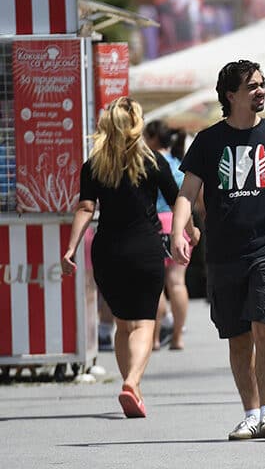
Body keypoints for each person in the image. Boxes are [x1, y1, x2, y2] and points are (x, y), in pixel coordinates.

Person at [171, 59, 265, 440]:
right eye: (252, 86)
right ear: (231, 95)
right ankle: (249, 412)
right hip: (224, 251)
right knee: (237, 336)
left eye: (262, 84)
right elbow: (187, 193)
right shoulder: (208, 141)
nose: (260, 91)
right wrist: (177, 232)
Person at [61, 97, 199, 418]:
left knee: (123, 324)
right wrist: (188, 230)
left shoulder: (94, 164)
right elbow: (180, 198)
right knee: (143, 324)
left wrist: (70, 248)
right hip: (144, 248)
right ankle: (133, 381)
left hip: (107, 249)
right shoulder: (152, 161)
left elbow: (85, 207)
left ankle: (129, 385)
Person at [144, 120, 190, 351]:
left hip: (155, 223)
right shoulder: (178, 164)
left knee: (156, 285)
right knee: (178, 283)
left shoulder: (148, 163)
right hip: (178, 223)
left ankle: (153, 338)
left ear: (152, 139)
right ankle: (178, 337)